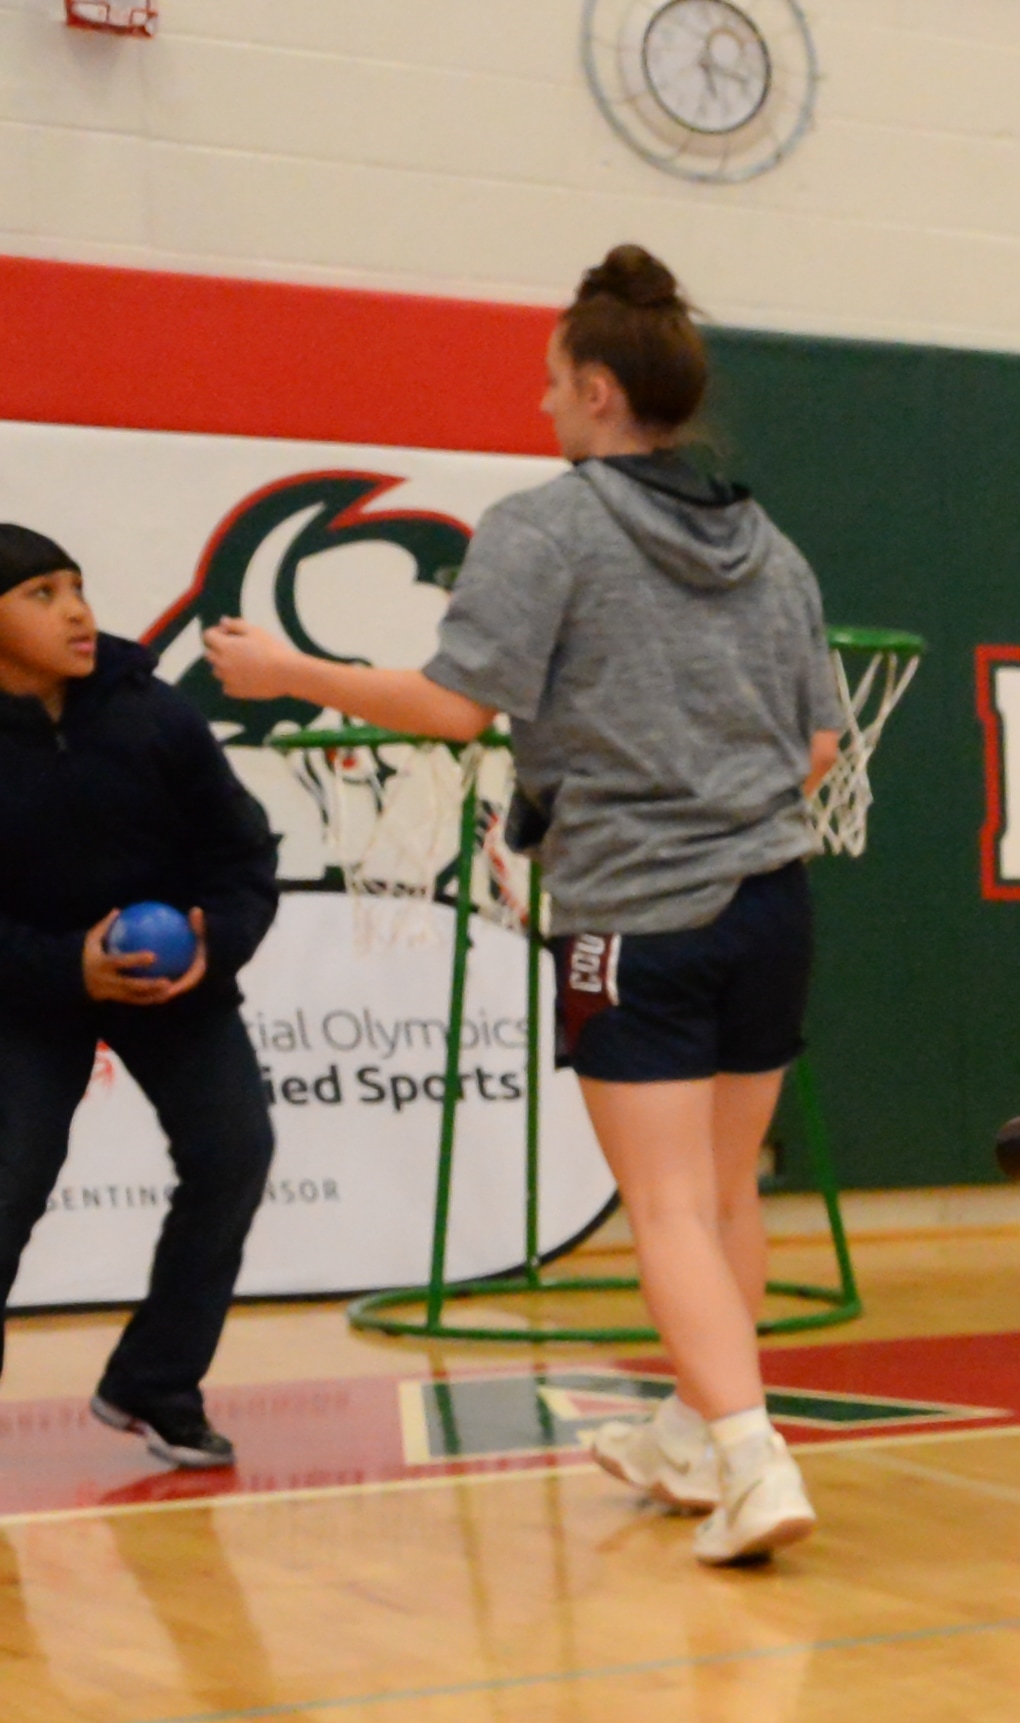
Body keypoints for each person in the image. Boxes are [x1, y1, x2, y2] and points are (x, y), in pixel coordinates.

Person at [207, 246, 845, 1568]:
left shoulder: (546, 527)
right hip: (772, 901)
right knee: (725, 1191)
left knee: (663, 1207)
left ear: (602, 391)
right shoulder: (767, 540)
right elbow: (822, 748)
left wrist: (286, 670)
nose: (543, 404)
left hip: (635, 914)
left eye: (554, 383)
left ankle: (750, 1457)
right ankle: (693, 1424)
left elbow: (454, 708)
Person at [0, 523, 278, 1473]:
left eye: (76, 585)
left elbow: (242, 855)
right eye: (40, 593)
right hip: (24, 991)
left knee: (235, 1150)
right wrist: (62, 968)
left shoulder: (153, 714)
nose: (76, 610)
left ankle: (155, 1384)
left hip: (170, 982)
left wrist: (216, 942)